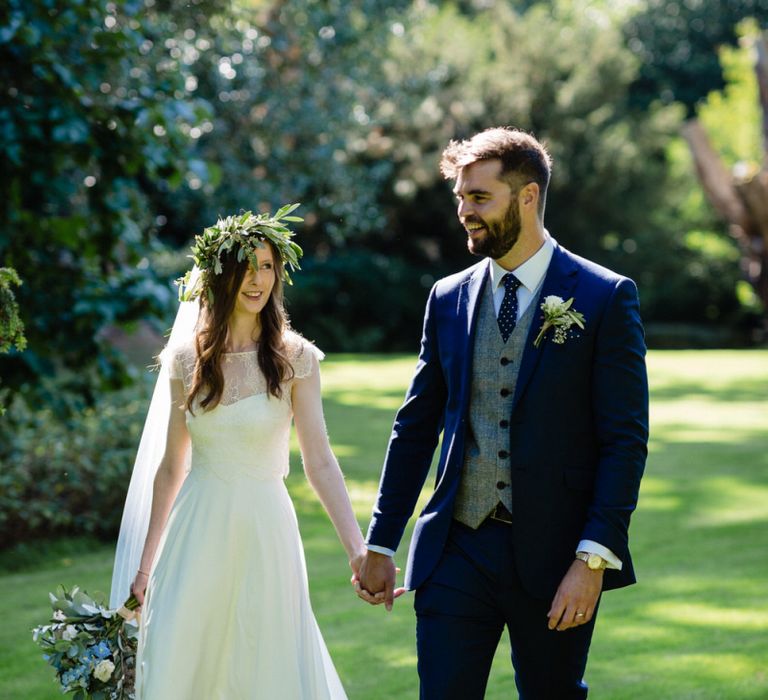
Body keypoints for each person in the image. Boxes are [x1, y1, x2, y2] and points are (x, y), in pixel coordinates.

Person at [355, 127, 649, 699]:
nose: (464, 211)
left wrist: (591, 562)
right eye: (460, 198)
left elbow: (625, 441)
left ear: (528, 196)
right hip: (456, 550)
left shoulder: (604, 296)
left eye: (479, 197)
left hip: (556, 554)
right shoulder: (447, 297)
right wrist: (382, 541)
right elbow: (415, 426)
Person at [115, 209, 365, 699]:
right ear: (219, 276)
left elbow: (319, 461)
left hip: (264, 528)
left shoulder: (297, 358)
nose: (258, 280)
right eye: (246, 267)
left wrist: (357, 550)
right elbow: (171, 465)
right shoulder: (183, 359)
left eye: (268, 266)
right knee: (184, 656)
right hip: (196, 529)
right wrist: (144, 569)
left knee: (263, 659)